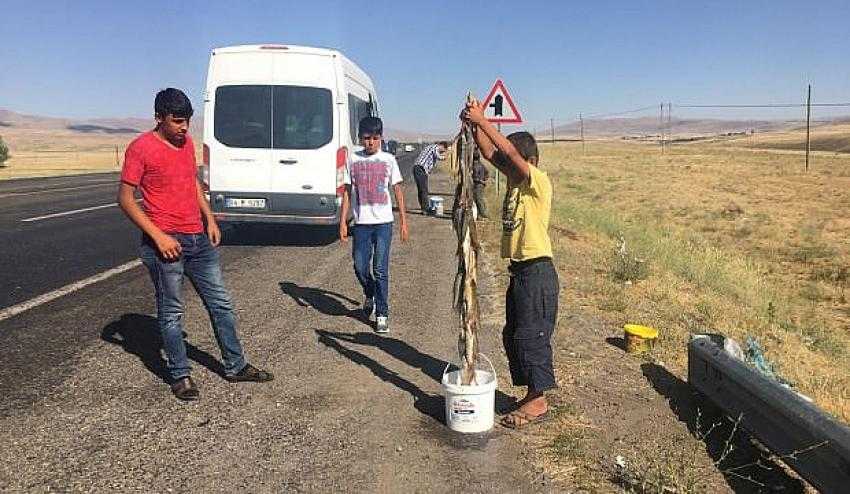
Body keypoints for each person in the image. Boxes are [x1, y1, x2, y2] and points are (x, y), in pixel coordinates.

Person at [118, 88, 273, 401]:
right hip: (165, 244)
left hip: (198, 240)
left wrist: (210, 219)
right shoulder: (141, 148)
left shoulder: (186, 143)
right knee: (172, 312)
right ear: (159, 118)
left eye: (187, 120)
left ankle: (236, 366)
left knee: (221, 304)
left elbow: (192, 182)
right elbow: (125, 199)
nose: (184, 127)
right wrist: (159, 236)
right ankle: (180, 375)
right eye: (177, 121)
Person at [461, 100, 559, 429]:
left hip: (538, 271)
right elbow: (492, 153)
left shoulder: (537, 182)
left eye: (514, 160)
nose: (508, 164)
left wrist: (484, 120)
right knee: (513, 334)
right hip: (520, 272)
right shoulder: (516, 182)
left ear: (531, 162)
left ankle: (539, 400)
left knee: (532, 335)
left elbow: (509, 153)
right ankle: (531, 393)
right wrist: (474, 124)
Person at [339, 116, 409, 334]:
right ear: (360, 138)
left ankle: (382, 313)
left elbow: (397, 191)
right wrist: (343, 222)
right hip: (361, 223)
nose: (371, 142)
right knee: (359, 266)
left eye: (375, 138)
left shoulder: (389, 159)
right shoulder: (353, 159)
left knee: (380, 269)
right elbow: (347, 192)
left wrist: (404, 222)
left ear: (381, 138)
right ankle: (370, 292)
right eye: (367, 138)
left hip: (383, 224)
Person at [412, 141, 449, 214]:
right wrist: (445, 157)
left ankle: (424, 208)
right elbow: (438, 156)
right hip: (420, 169)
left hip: (419, 169)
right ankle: (426, 209)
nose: (442, 152)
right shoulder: (434, 147)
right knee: (423, 190)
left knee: (422, 190)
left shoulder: (431, 147)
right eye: (443, 151)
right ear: (441, 146)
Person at [472, 148, 490, 218]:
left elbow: (475, 177)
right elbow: (487, 173)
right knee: (479, 199)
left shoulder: (475, 165)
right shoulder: (481, 165)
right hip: (481, 184)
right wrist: (485, 180)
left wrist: (481, 180)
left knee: (478, 199)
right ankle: (480, 214)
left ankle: (483, 214)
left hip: (478, 184)